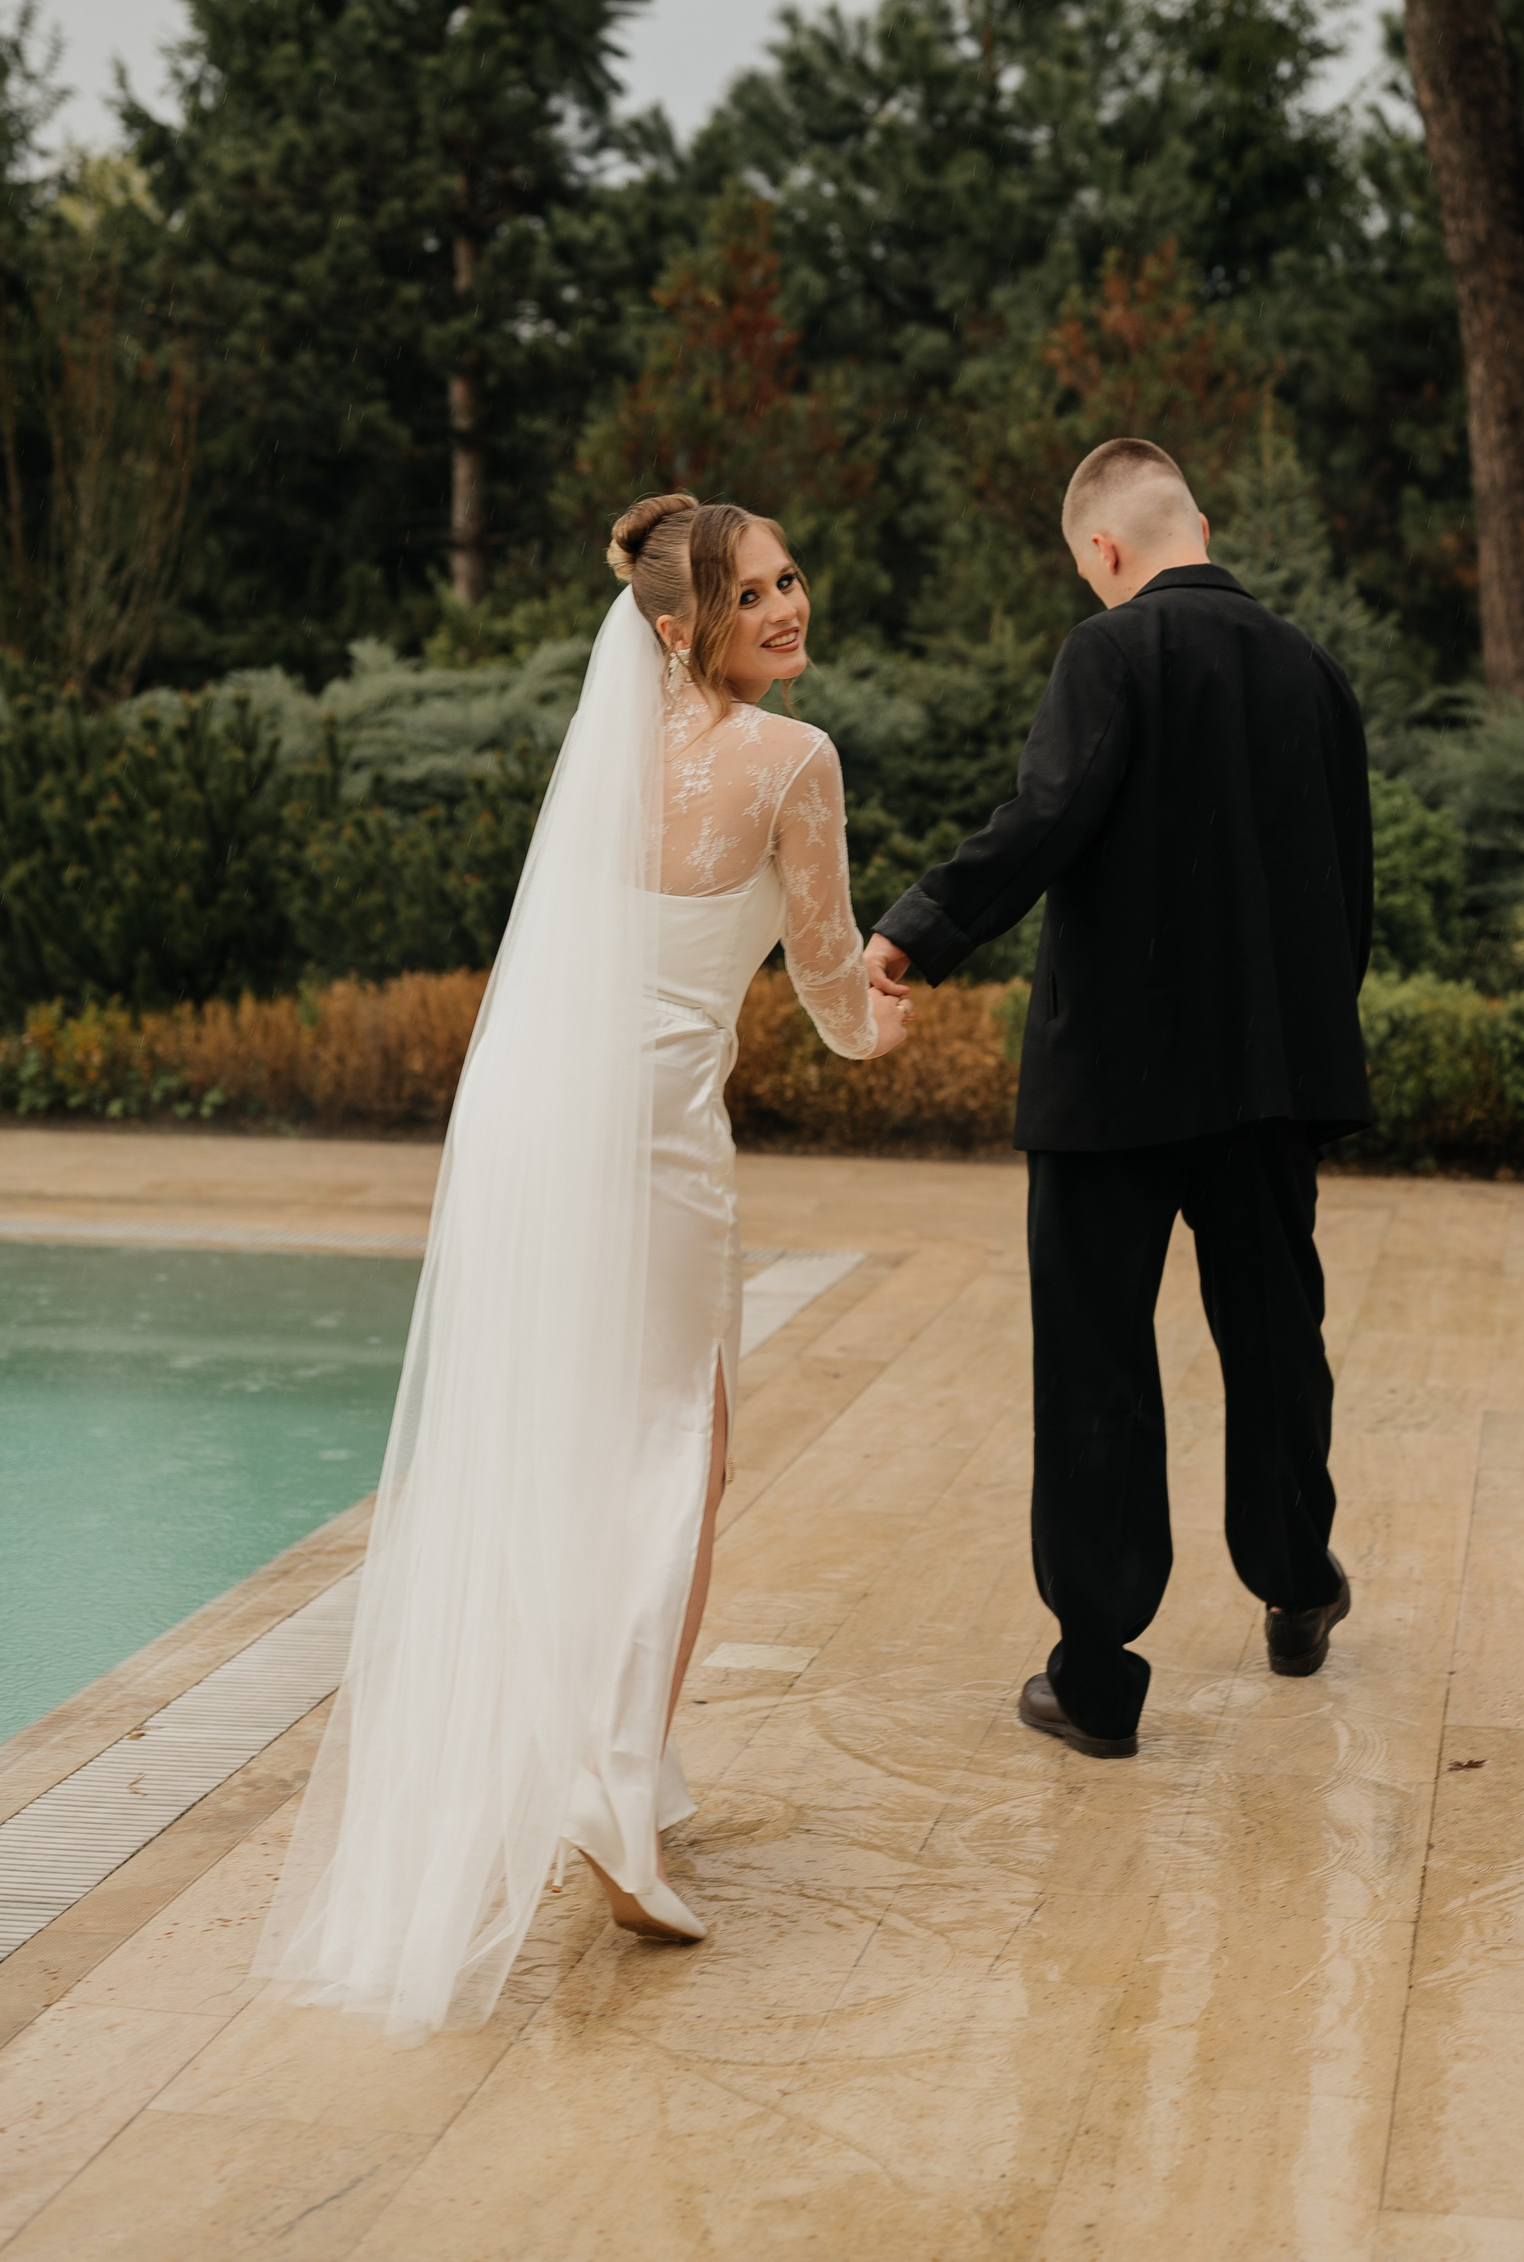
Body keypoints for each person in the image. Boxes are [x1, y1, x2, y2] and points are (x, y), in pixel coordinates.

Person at [257, 495, 907, 2038]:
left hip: (528, 1117)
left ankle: (627, 1759)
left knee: (567, 1438)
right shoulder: (794, 759)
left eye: (792, 578)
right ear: (683, 625)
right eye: (754, 594)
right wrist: (889, 1018)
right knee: (683, 1444)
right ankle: (610, 1784)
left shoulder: (608, 752)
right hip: (655, 1133)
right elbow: (831, 994)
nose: (789, 607)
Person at [868, 438, 1372, 1757]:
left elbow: (1047, 814)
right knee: (1276, 1337)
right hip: (1267, 1079)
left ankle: (1097, 1680)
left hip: (1111, 1084)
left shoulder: (1109, 652)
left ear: (1103, 548)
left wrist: (918, 927)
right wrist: (1309, 1049)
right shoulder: (1313, 669)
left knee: (1097, 1356)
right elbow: (1348, 882)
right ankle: (1297, 1586)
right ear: (1199, 524)